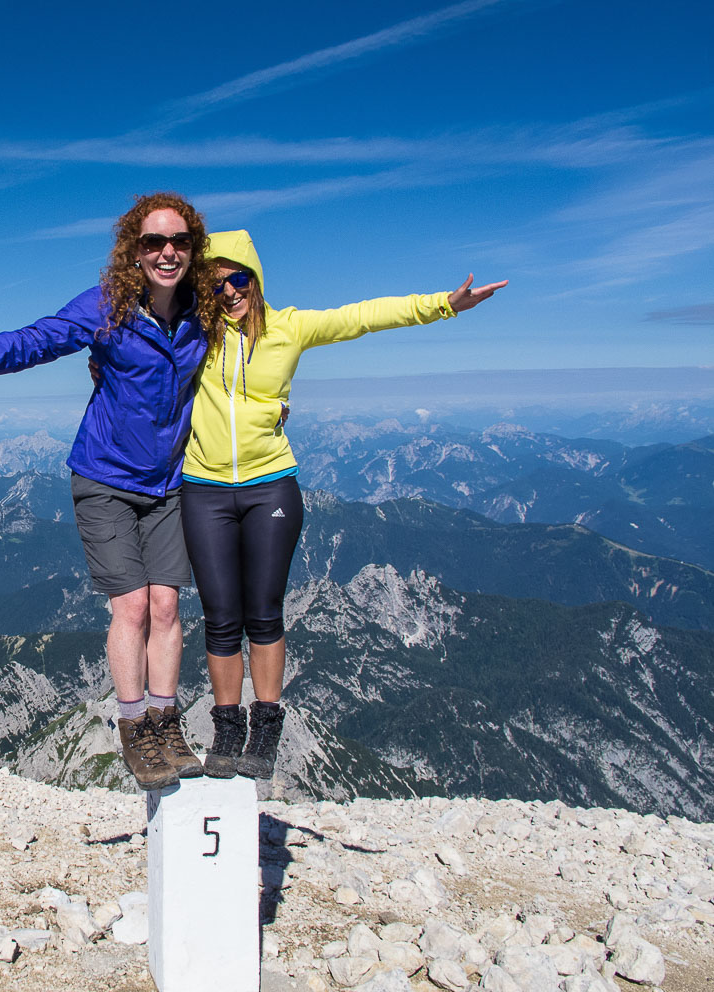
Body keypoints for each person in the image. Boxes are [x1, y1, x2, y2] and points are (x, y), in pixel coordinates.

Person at [0, 193, 222, 791]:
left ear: (193, 249)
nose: (167, 252)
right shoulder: (107, 308)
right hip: (104, 478)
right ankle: (133, 728)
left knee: (168, 606)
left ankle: (166, 719)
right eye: (154, 242)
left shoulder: (206, 313)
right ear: (135, 250)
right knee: (131, 607)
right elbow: (33, 341)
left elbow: (268, 323)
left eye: (179, 242)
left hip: (171, 481)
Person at [181, 229, 506, 780]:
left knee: (263, 612)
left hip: (270, 485)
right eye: (215, 286)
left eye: (237, 279)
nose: (229, 292)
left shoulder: (291, 328)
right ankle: (227, 727)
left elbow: (363, 316)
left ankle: (266, 725)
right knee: (219, 618)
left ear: (254, 279)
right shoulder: (193, 333)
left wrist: (444, 306)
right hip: (204, 487)